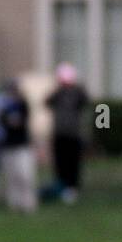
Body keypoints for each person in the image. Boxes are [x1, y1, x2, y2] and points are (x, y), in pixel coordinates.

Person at [45, 63, 89, 203]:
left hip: (73, 134)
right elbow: (47, 102)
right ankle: (61, 187)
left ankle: (72, 188)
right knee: (60, 163)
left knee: (73, 163)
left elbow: (86, 102)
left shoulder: (77, 93)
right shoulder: (57, 94)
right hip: (59, 134)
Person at [0, 81, 37, 212]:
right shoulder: (3, 107)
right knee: (11, 176)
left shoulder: (23, 105)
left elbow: (22, 121)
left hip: (22, 145)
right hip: (7, 146)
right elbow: (1, 121)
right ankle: (14, 203)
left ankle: (28, 203)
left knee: (25, 174)